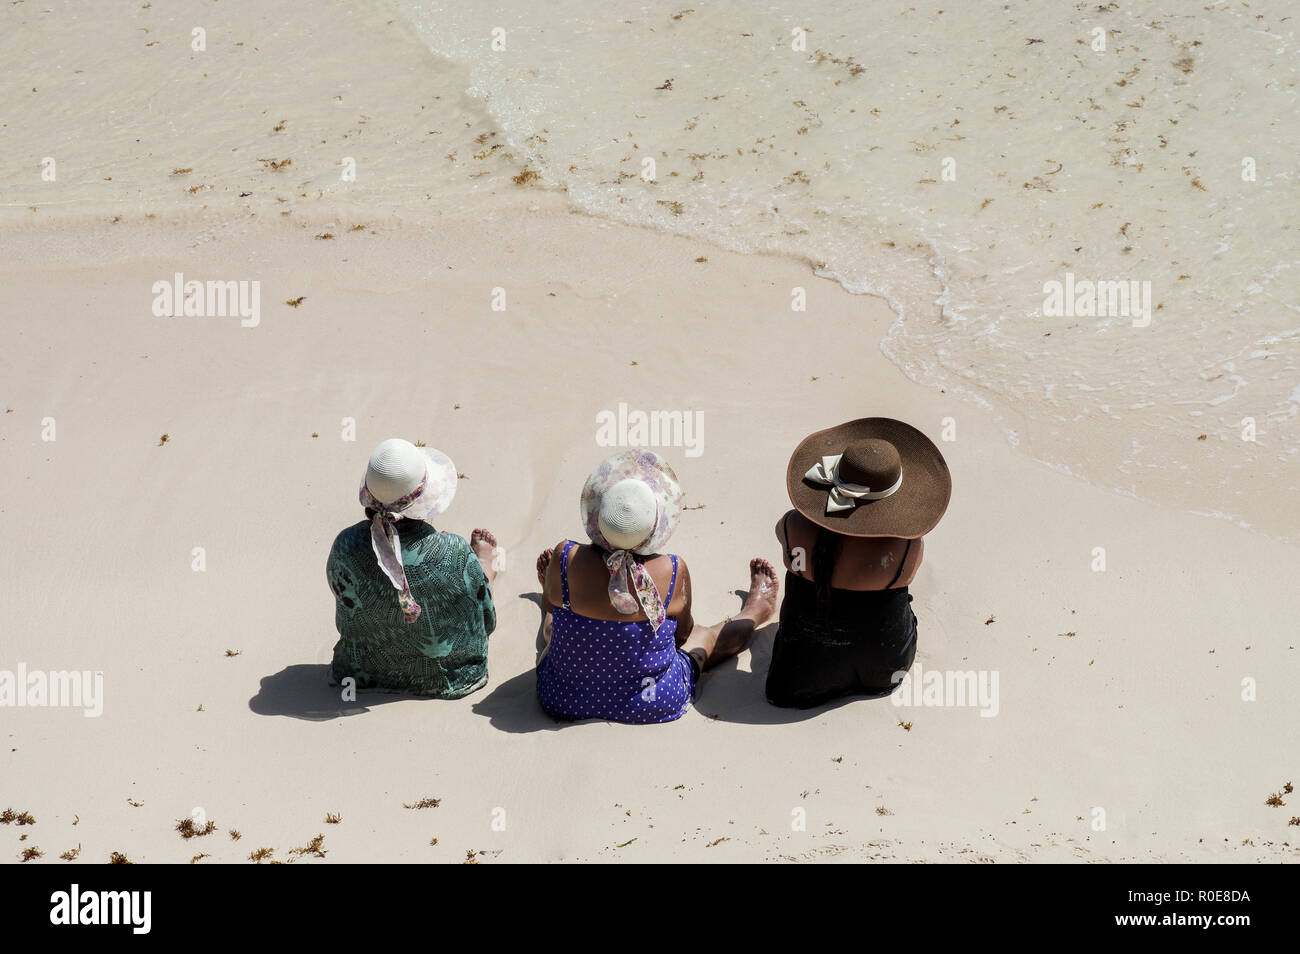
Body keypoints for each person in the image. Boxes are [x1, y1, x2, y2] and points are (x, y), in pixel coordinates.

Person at [534, 449, 777, 724]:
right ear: (657, 526)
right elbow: (682, 635)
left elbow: (550, 604)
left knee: (555, 621)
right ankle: (754, 612)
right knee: (704, 636)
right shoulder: (671, 570)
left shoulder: (565, 556)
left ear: (597, 513)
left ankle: (559, 599)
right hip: (652, 700)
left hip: (562, 697)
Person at [768, 418, 951, 709]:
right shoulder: (906, 547)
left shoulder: (793, 527)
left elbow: (787, 547)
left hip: (799, 678)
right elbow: (907, 577)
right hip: (884, 670)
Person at [326, 438, 499, 698]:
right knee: (467, 574)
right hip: (451, 678)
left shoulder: (345, 545)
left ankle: (480, 571)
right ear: (425, 500)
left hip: (360, 674)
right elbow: (488, 621)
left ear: (368, 503)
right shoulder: (455, 551)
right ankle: (485, 568)